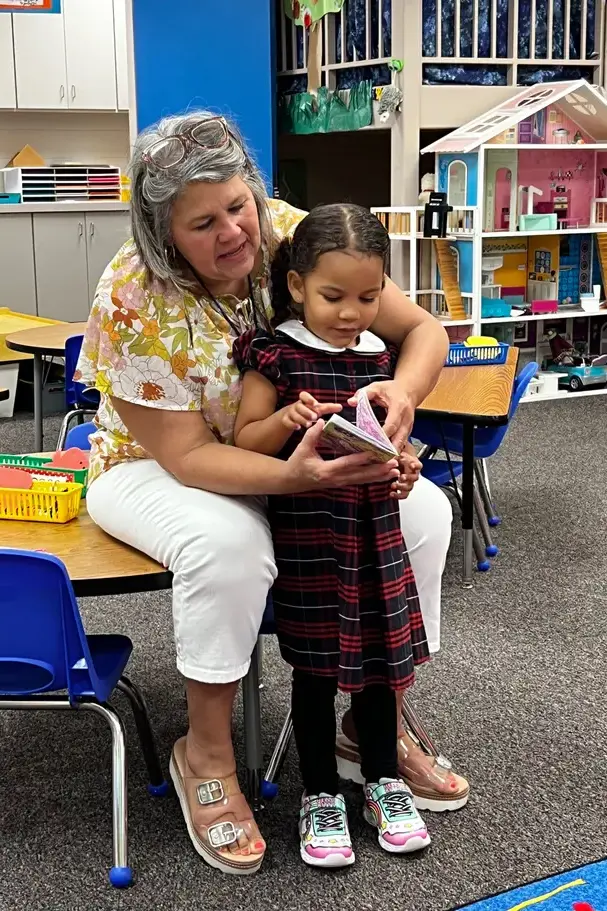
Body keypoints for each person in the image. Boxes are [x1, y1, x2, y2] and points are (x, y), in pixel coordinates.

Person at [75, 110, 466, 876]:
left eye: (238, 205)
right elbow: (189, 458)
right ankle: (207, 752)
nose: (232, 232)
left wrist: (400, 395)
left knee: (421, 510)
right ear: (162, 234)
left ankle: (370, 725)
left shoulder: (291, 233)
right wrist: (294, 475)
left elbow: (423, 332)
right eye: (202, 223)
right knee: (228, 545)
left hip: (298, 451)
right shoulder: (129, 294)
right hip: (152, 466)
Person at [233, 203, 435, 867]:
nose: (351, 313)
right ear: (295, 285)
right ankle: (318, 791)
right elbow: (245, 440)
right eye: (332, 296)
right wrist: (284, 417)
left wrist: (404, 463)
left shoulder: (381, 356)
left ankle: (381, 779)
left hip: (376, 538)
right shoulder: (277, 356)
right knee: (316, 673)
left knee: (379, 672)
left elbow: (392, 443)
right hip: (312, 541)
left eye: (368, 297)